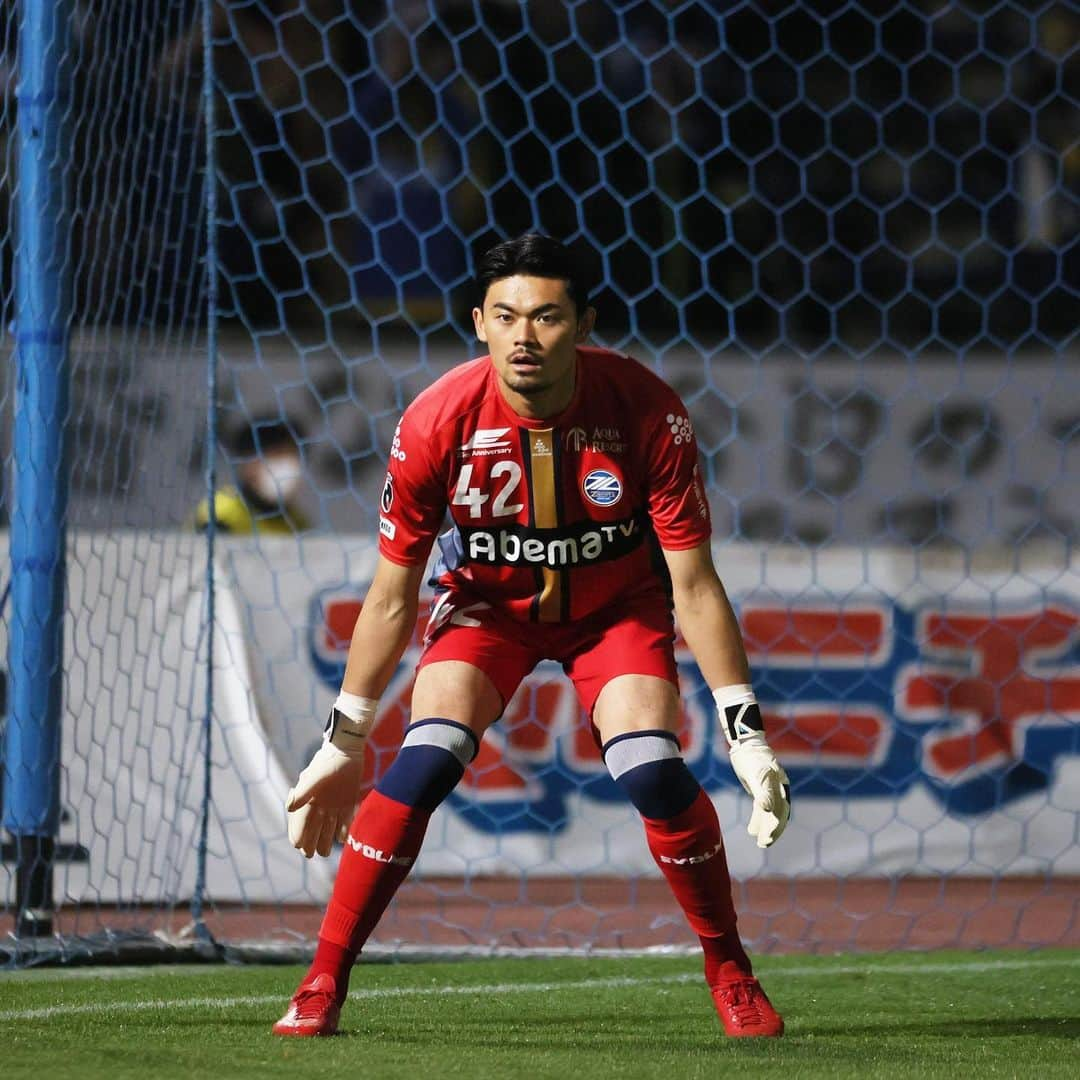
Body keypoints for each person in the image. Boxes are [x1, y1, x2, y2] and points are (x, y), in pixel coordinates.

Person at [272, 234, 791, 1039]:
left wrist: (746, 734)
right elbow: (388, 598)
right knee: (424, 764)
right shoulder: (435, 420)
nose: (524, 336)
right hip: (487, 613)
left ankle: (728, 968)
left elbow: (693, 584)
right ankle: (321, 981)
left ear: (583, 323)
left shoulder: (649, 411)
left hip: (614, 613)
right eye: (506, 316)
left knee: (652, 770)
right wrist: (343, 742)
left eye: (547, 316)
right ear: (479, 322)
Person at [193, 415, 310, 535]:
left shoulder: (298, 523)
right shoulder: (220, 513)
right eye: (276, 455)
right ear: (248, 463)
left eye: (292, 456)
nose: (288, 466)